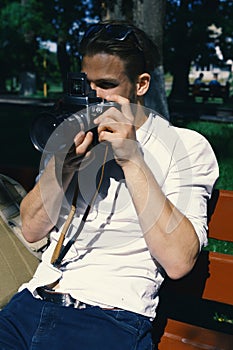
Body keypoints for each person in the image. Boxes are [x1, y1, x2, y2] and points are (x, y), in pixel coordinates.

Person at [0, 20, 219, 349]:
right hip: (31, 302)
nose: (93, 97)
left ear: (141, 84)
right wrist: (62, 166)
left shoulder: (185, 147)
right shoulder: (71, 134)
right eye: (85, 85)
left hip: (109, 316)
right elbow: (32, 229)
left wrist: (132, 159)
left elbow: (179, 261)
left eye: (105, 85)